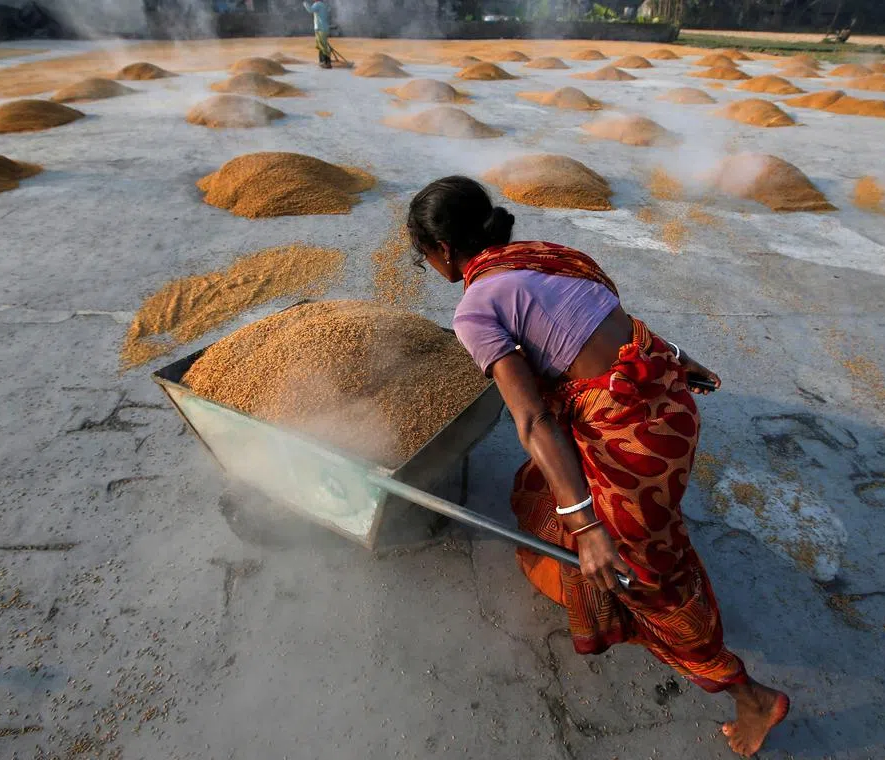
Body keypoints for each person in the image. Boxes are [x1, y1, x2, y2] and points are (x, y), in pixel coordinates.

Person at [406, 176, 790, 757]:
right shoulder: (554, 260)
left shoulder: (476, 309)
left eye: (422, 254)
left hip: (633, 447)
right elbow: (620, 327)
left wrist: (587, 527)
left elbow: (533, 422)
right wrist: (686, 362)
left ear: (443, 252)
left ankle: (752, 695)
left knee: (649, 578)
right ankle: (611, 582)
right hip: (668, 405)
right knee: (546, 494)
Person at [302, 0, 332, 69]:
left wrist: (305, 3)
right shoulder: (322, 5)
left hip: (320, 28)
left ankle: (326, 62)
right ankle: (323, 61)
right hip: (323, 28)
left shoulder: (317, 4)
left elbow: (310, 10)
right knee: (322, 45)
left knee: (322, 45)